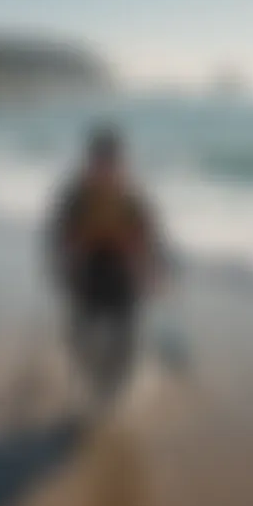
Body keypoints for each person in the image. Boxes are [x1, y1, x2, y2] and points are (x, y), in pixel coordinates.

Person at [46, 125, 166, 401]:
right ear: (91, 162)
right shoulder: (76, 197)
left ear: (121, 163)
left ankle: (113, 391)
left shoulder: (132, 197)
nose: (106, 169)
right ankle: (87, 380)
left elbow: (150, 236)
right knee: (80, 336)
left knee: (125, 337)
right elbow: (58, 233)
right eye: (100, 161)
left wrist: (155, 272)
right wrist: (59, 265)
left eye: (111, 162)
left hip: (122, 270)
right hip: (86, 270)